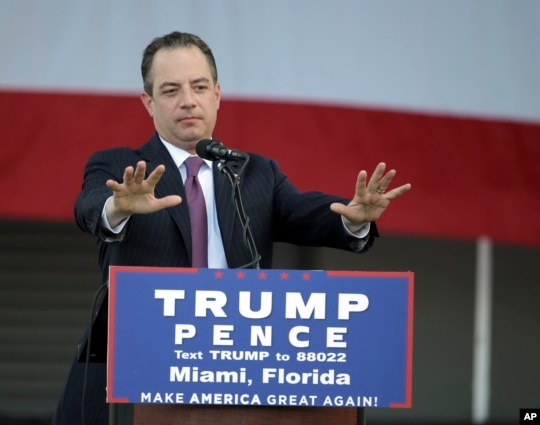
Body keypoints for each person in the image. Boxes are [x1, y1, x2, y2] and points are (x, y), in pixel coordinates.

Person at [52, 31, 411, 425]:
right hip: (140, 373)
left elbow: (304, 212)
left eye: (199, 87)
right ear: (148, 103)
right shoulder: (121, 167)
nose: (188, 100)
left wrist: (352, 218)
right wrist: (116, 208)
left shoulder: (254, 173)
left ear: (217, 95)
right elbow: (89, 208)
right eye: (171, 90)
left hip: (235, 375)